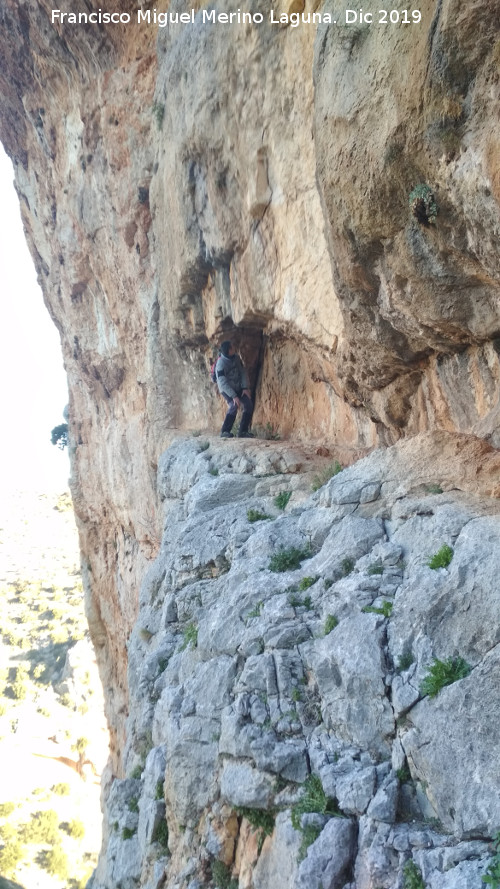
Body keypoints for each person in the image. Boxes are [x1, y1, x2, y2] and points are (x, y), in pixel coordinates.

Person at [215, 341, 254, 438]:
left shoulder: (236, 358)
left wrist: (245, 387)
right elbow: (222, 383)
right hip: (226, 389)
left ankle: (243, 431)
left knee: (248, 404)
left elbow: (242, 372)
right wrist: (234, 396)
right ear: (229, 350)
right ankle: (225, 431)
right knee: (233, 405)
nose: (234, 347)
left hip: (238, 387)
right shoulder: (220, 364)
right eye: (232, 347)